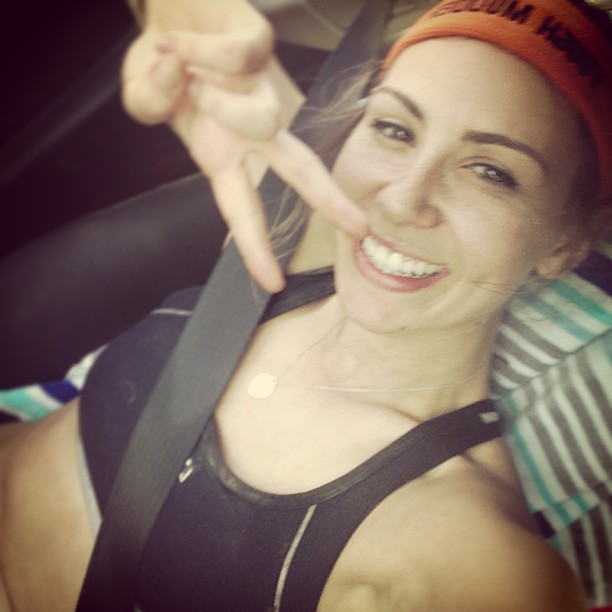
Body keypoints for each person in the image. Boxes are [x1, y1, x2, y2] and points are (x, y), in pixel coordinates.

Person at [0, 0, 610, 610]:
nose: (401, 201)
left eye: (491, 172)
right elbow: (197, 42)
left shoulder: (472, 559)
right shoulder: (304, 229)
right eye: (395, 129)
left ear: (563, 243)